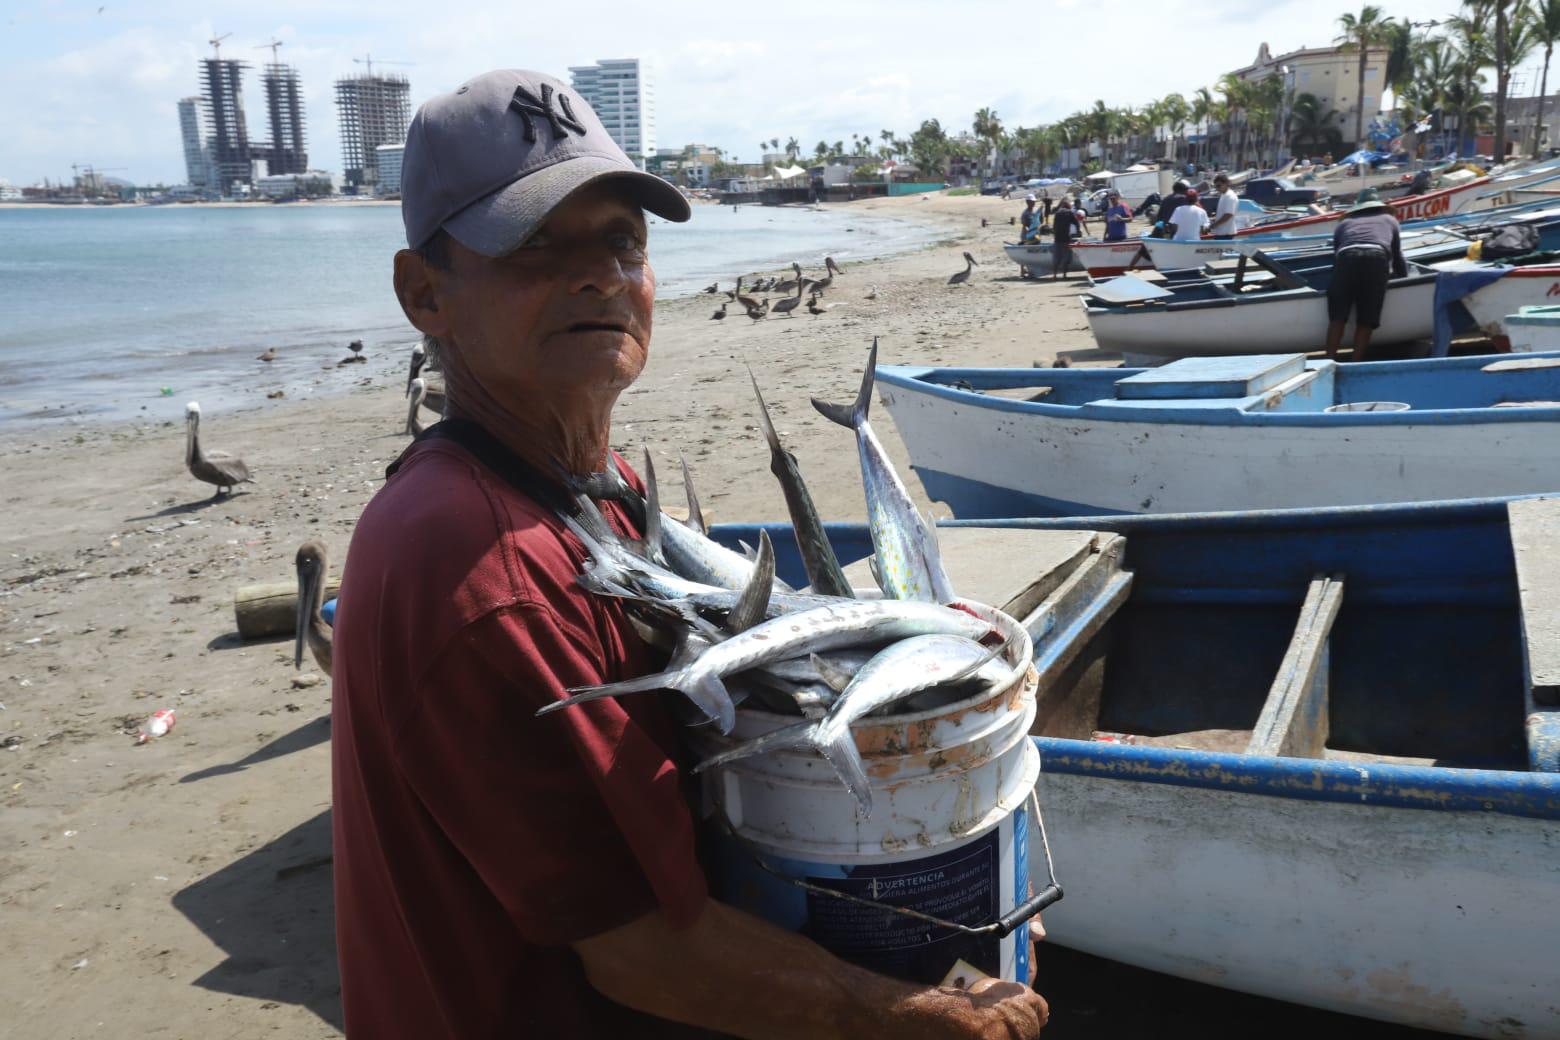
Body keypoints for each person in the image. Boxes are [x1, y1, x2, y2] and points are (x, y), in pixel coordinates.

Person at [331, 68, 1050, 1040]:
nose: (597, 274)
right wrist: (916, 1014)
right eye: (534, 243)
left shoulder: (586, 486)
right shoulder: (482, 568)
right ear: (426, 293)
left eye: (622, 241)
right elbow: (640, 948)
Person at [1325, 189, 1408, 362]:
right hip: (1376, 258)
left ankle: (1329, 360)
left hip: (1346, 258)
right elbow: (1397, 256)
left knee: (1337, 317)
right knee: (1366, 319)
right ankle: (1355, 362)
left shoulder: (1343, 224)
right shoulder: (1389, 220)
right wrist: (1403, 279)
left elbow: (1337, 255)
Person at [1051, 196, 1087, 280]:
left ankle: (1055, 275)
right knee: (1065, 257)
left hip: (1057, 238)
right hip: (1066, 238)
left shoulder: (1058, 213)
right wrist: (1078, 231)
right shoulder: (1069, 212)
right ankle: (1064, 275)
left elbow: (1054, 226)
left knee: (1056, 258)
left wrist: (1055, 234)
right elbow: (1076, 223)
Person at [1207, 173, 1240, 239]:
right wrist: (1213, 219)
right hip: (1221, 233)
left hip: (1226, 234)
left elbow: (1228, 215)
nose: (1217, 188)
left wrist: (1214, 225)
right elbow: (1224, 213)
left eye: (1219, 186)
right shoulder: (1223, 195)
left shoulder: (1230, 196)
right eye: (1215, 186)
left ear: (1226, 184)